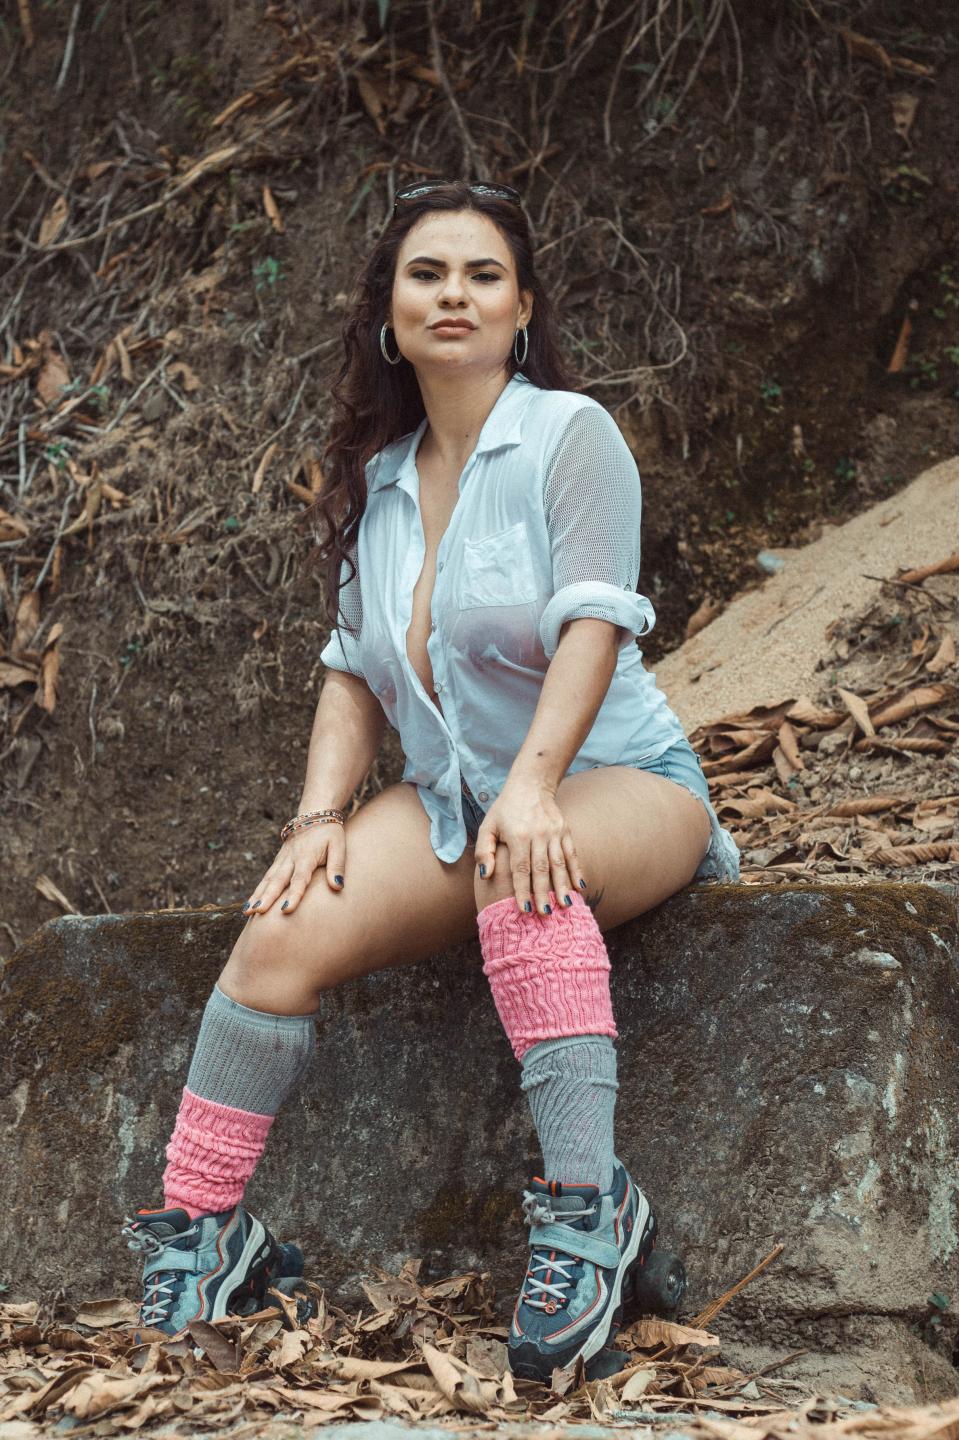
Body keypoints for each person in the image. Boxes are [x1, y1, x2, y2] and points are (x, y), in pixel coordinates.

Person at [123, 179, 740, 1379]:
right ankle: (207, 1236)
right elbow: (351, 670)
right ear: (388, 311)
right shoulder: (378, 476)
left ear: (522, 308)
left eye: (481, 275)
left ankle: (588, 1213)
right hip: (456, 802)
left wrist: (535, 787)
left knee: (522, 870)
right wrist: (318, 818)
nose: (453, 294)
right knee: (278, 931)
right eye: (425, 274)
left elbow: (593, 624)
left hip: (619, 781)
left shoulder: (569, 435)